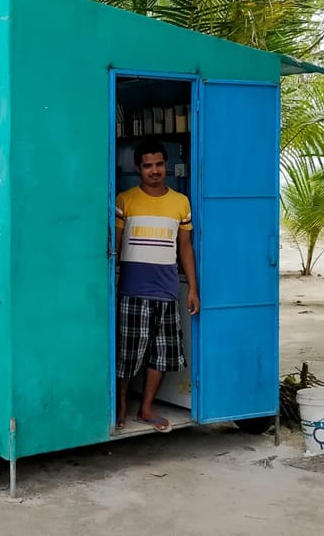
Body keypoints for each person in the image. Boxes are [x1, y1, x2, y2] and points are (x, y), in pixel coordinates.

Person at [114, 140, 199, 433]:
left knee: (162, 355)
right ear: (138, 168)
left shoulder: (181, 202)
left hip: (166, 291)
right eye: (148, 165)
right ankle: (120, 405)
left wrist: (193, 289)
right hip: (131, 292)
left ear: (166, 166)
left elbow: (185, 248)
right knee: (126, 356)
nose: (154, 171)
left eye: (159, 164)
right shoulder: (125, 200)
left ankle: (146, 408)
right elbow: (114, 245)